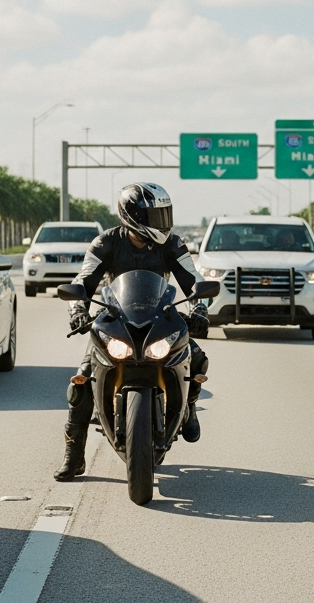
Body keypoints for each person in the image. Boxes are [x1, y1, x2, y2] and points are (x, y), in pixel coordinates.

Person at [54, 182, 211, 482]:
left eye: (164, 214)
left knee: (197, 357)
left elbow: (194, 280)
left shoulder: (172, 244)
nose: (162, 223)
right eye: (155, 216)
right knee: (83, 380)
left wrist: (200, 308)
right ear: (133, 216)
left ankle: (189, 408)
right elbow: (84, 280)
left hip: (161, 313)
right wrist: (77, 311)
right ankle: (73, 457)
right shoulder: (106, 243)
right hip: (116, 315)